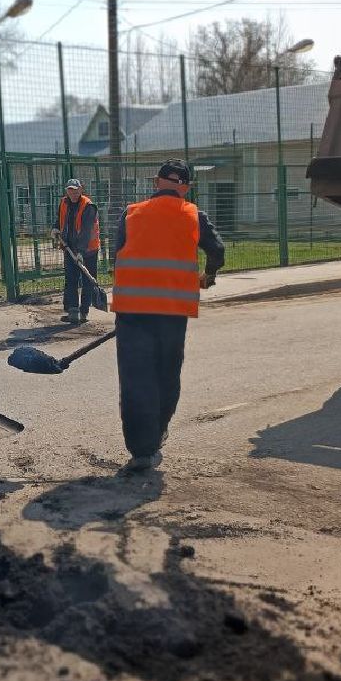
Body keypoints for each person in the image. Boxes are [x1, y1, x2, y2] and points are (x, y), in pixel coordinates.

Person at [111, 158, 224, 474]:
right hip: (172, 313)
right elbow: (218, 251)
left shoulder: (131, 214)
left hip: (132, 313)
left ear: (156, 183)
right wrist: (209, 275)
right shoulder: (193, 215)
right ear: (185, 188)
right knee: (165, 375)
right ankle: (158, 432)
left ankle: (141, 451)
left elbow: (115, 254)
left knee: (135, 381)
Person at [51, 177, 101, 324]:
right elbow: (59, 218)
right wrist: (55, 228)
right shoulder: (64, 202)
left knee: (87, 280)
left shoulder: (89, 206)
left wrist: (80, 252)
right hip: (69, 247)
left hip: (89, 250)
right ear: (67, 191)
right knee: (71, 279)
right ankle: (73, 312)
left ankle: (84, 312)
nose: (73, 193)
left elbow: (86, 231)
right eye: (70, 190)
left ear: (81, 190)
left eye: (75, 190)